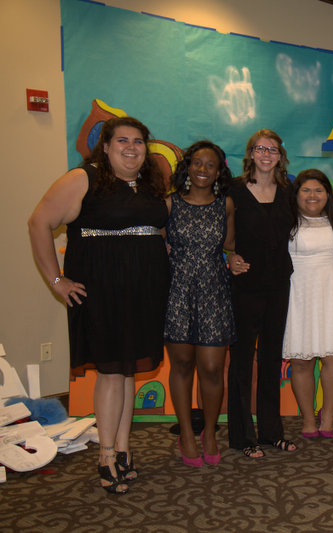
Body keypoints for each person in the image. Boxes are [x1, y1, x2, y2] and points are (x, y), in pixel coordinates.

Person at [28, 117, 169, 494]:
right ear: (105, 146)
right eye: (121, 140)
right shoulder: (83, 178)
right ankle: (106, 455)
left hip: (144, 290)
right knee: (110, 371)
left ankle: (123, 449)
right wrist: (57, 281)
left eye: (138, 141)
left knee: (127, 373)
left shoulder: (150, 183)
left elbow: (155, 230)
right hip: (102, 290)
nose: (131, 147)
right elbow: (39, 222)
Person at [164, 141, 235, 466]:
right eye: (197, 163)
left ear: (219, 171)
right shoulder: (169, 204)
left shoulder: (226, 205)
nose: (203, 170)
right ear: (187, 167)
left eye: (211, 165)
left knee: (211, 367)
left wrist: (237, 259)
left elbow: (231, 246)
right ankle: (187, 436)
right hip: (177, 291)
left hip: (213, 292)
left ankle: (209, 431)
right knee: (181, 365)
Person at [226, 129, 296, 456]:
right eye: (259, 148)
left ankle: (271, 431)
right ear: (250, 154)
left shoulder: (288, 191)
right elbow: (221, 235)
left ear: (280, 156)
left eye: (272, 149)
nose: (266, 154)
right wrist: (229, 257)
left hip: (279, 284)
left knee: (271, 360)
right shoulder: (234, 191)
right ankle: (243, 436)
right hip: (245, 286)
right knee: (242, 362)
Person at [283, 169, 333, 439]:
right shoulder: (286, 221)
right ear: (296, 194)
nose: (312, 196)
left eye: (319, 190)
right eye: (306, 190)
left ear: (328, 194)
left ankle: (327, 417)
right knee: (301, 362)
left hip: (332, 297)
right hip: (298, 298)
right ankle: (307, 420)